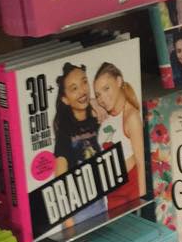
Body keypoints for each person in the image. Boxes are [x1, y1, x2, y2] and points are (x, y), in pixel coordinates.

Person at [53, 62, 106, 228]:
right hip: (79, 212)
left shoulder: (94, 121)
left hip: (100, 203)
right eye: (74, 88)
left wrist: (94, 102)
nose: (82, 90)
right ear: (65, 99)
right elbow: (59, 180)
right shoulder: (65, 134)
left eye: (84, 82)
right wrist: (68, 223)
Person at [93, 62, 146, 211]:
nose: (102, 98)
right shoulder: (104, 115)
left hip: (129, 193)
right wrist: (93, 103)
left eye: (106, 89)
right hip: (110, 196)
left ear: (118, 81)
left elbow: (141, 163)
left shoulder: (131, 116)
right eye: (98, 94)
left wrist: (142, 202)